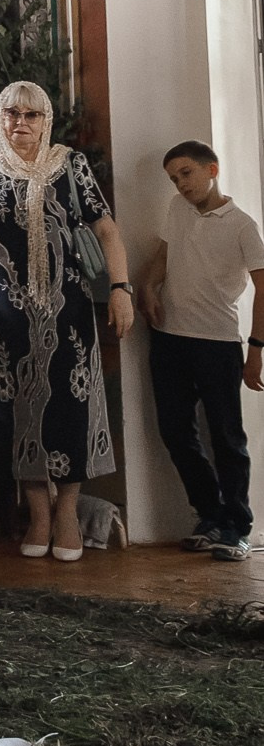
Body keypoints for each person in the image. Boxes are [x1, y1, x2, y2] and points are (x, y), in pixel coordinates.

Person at [0, 81, 131, 562]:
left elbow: (107, 230)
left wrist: (121, 290)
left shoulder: (70, 165)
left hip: (68, 315)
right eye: (11, 113)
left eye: (31, 114)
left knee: (71, 409)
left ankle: (67, 512)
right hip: (4, 320)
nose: (20, 123)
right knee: (13, 413)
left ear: (45, 120)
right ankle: (38, 513)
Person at [136, 141, 263, 562]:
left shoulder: (242, 225)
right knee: (175, 431)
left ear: (212, 170)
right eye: (174, 178)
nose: (181, 184)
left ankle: (237, 527)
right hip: (169, 340)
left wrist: (256, 350)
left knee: (227, 437)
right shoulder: (177, 209)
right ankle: (210, 516)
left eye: (186, 173)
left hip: (218, 343)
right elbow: (165, 254)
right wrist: (149, 286)